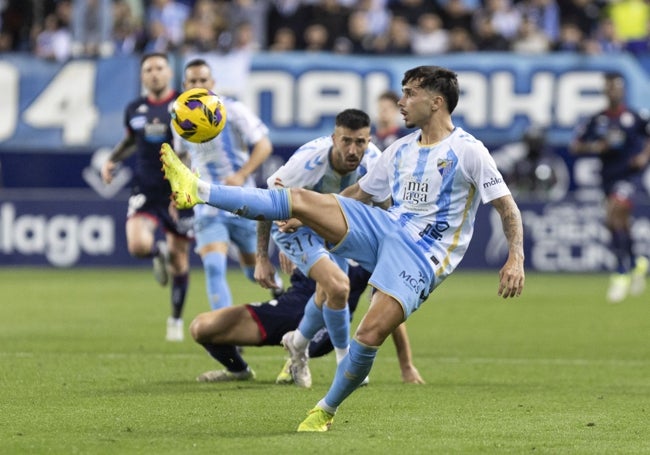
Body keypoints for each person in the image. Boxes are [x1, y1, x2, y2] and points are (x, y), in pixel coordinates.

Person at [159, 65, 525, 432]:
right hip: (386, 228)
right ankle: (198, 189)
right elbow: (358, 195)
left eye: (410, 93)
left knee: (368, 335)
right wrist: (310, 216)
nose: (401, 101)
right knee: (298, 198)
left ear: (436, 101)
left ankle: (325, 410)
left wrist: (515, 258)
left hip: (423, 256)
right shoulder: (398, 151)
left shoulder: (468, 151)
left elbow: (507, 207)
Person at [254, 109, 382, 388]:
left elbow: (385, 205)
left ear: (369, 140)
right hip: (293, 226)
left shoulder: (376, 161)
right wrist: (263, 257)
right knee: (338, 287)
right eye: (346, 141)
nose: (353, 149)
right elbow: (266, 203)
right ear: (333, 138)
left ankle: (297, 343)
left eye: (360, 142)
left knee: (328, 291)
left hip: (337, 227)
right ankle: (345, 361)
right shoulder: (307, 163)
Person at [189, 259, 425, 385]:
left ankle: (297, 355)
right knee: (201, 327)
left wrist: (406, 365)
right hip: (284, 311)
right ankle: (239, 371)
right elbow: (273, 202)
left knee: (321, 329)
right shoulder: (309, 222)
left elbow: (388, 310)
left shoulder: (370, 248)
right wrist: (265, 254)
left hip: (326, 326)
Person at [173, 58, 281, 314]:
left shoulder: (232, 110)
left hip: (242, 200)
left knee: (252, 269)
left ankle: (279, 292)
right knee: (213, 266)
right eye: (193, 81)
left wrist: (241, 174)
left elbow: (264, 145)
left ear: (212, 83)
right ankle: (225, 333)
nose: (198, 84)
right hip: (206, 204)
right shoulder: (178, 118)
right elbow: (182, 160)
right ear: (184, 85)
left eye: (203, 80)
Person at [102, 52, 192, 342]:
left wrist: (182, 190)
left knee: (180, 258)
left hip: (175, 191)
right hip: (145, 187)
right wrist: (112, 159)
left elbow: (189, 151)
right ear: (142, 76)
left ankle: (176, 319)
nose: (154, 73)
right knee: (138, 245)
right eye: (148, 69)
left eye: (159, 68)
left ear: (169, 72)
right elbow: (131, 139)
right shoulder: (134, 108)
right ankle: (157, 253)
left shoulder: (183, 106)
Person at [570, 72, 650, 303]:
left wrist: (644, 157)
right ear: (605, 91)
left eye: (617, 86)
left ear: (623, 90)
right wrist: (598, 146)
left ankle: (621, 272)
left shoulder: (635, 117)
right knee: (618, 222)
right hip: (609, 178)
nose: (613, 90)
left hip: (630, 176)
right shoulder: (598, 119)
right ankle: (637, 262)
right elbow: (576, 146)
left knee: (613, 214)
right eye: (609, 87)